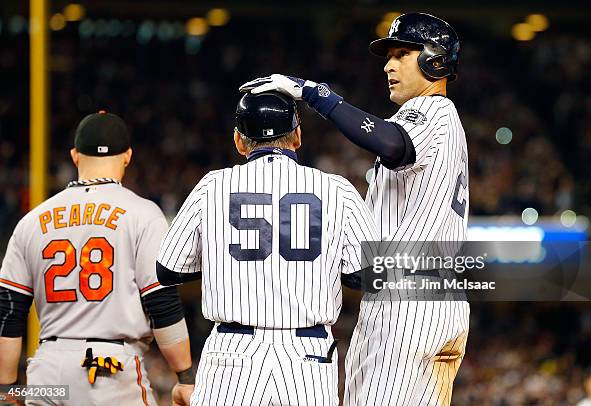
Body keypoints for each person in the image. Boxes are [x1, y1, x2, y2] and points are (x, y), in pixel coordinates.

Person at [241, 12, 470, 406]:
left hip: (409, 299)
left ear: (436, 60)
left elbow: (392, 143)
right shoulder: (437, 121)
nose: (389, 65)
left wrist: (316, 95)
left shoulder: (434, 112)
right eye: (389, 55)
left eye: (402, 53)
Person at [156, 91, 379, 405]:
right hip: (308, 354)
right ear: (298, 136)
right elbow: (366, 275)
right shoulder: (337, 189)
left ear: (239, 140)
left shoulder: (213, 186)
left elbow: (168, 269)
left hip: (233, 353)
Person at [0, 112, 194, 406]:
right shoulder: (143, 214)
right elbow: (161, 303)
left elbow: (9, 313)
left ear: (75, 156)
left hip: (48, 372)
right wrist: (185, 377)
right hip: (108, 371)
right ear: (127, 156)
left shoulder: (32, 221)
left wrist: (7, 391)